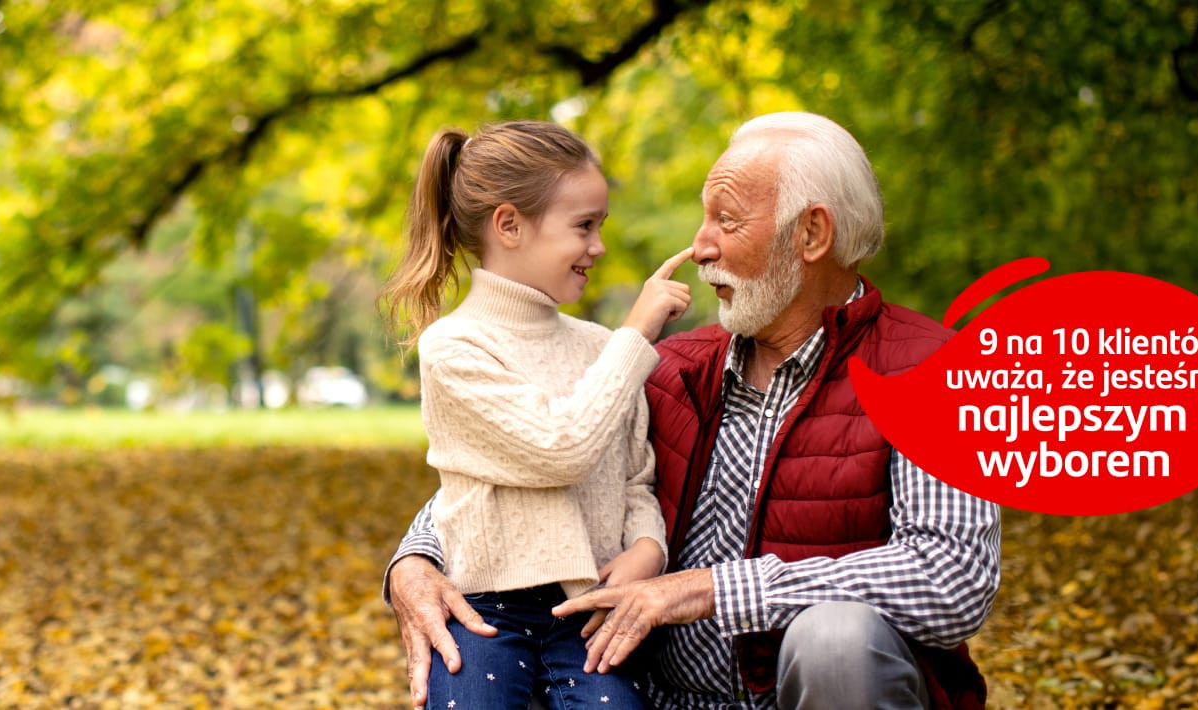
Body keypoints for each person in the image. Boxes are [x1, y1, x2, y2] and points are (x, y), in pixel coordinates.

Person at [387, 112, 1002, 710]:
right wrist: (414, 561)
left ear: (812, 234)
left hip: (813, 693)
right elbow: (518, 461)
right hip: (659, 697)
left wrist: (714, 589)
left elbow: (950, 578)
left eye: (726, 221)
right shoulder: (672, 369)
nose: (700, 246)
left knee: (835, 643)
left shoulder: (932, 373)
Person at [380, 120, 698, 709]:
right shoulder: (455, 347)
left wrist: (648, 547)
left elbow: (634, 477)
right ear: (509, 225)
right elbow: (559, 449)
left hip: (590, 611)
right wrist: (637, 333)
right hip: (487, 610)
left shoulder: (603, 348)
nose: (598, 246)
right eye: (584, 227)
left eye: (600, 225)